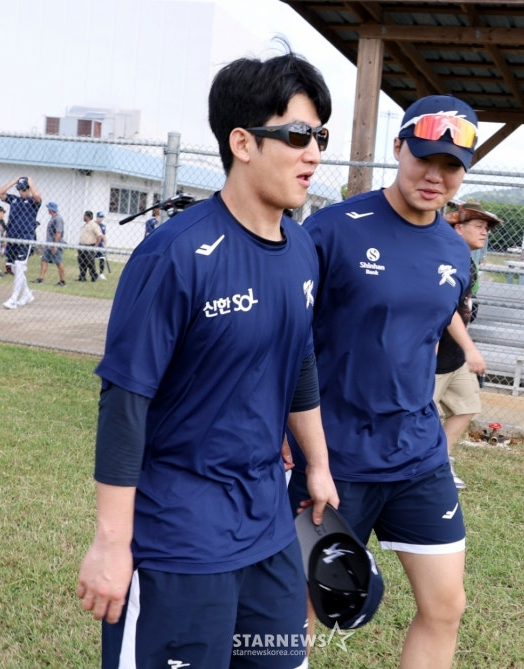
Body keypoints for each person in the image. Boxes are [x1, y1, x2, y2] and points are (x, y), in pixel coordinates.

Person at [76, 47, 338, 669]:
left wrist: (320, 464)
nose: (314, 154)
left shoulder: (302, 249)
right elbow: (126, 400)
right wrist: (112, 543)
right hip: (181, 538)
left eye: (319, 136)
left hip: (270, 530)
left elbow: (299, 359)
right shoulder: (174, 255)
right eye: (298, 135)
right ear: (242, 142)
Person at [287, 94, 482, 669]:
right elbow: (286, 336)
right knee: (297, 610)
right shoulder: (332, 231)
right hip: (332, 456)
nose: (434, 175)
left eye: (451, 165)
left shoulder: (454, 249)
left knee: (446, 606)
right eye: (424, 157)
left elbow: (423, 336)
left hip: (417, 456)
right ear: (398, 148)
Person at [435, 201, 503, 489]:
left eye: (486, 228)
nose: (484, 232)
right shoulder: (446, 258)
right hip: (433, 355)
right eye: (478, 226)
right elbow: (445, 309)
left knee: (467, 406)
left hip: (455, 356)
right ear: (458, 227)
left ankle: (439, 463)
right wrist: (471, 348)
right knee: (419, 418)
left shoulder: (467, 261)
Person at [0, 176, 41, 309]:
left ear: (28, 189)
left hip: (25, 238)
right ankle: (27, 293)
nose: (21, 192)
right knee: (13, 268)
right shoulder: (15, 200)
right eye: (19, 189)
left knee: (20, 266)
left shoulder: (33, 202)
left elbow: (38, 196)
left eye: (23, 189)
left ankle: (14, 299)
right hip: (12, 237)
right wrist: (14, 181)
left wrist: (31, 183)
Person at [34, 202, 66, 286]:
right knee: (44, 260)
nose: (48, 210)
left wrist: (55, 245)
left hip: (55, 244)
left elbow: (58, 233)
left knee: (58, 262)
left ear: (51, 209)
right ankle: (41, 278)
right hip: (49, 244)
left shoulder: (58, 219)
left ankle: (62, 281)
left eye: (49, 208)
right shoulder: (53, 218)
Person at [77, 211, 103, 282]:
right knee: (81, 262)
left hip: (89, 246)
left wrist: (96, 246)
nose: (83, 217)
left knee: (90, 262)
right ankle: (82, 277)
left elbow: (99, 236)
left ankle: (94, 275)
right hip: (82, 246)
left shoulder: (94, 225)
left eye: (84, 216)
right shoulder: (85, 224)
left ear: (87, 216)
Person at [95, 212, 107, 279]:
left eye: (102, 217)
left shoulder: (103, 226)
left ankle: (101, 273)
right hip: (94, 244)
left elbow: (104, 236)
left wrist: (105, 244)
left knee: (102, 258)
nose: (100, 219)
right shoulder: (93, 225)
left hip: (100, 245)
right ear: (97, 217)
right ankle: (93, 273)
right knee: (91, 259)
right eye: (99, 217)